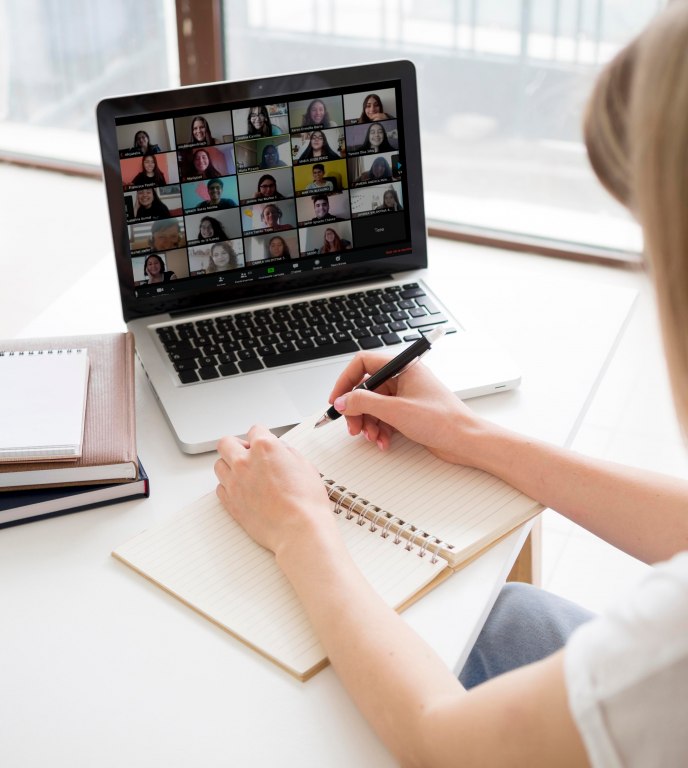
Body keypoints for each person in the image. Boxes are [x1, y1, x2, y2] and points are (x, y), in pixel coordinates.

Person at [212, 6, 688, 766]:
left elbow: (440, 740)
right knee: (503, 617)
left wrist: (299, 529)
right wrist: (472, 436)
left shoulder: (666, 658)